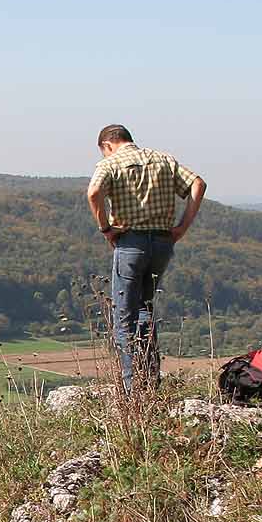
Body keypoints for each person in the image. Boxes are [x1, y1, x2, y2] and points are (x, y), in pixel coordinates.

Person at [86, 125, 206, 391]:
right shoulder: (163, 159)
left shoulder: (111, 163)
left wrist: (106, 229)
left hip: (130, 243)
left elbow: (93, 193)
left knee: (124, 316)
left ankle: (133, 390)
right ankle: (151, 380)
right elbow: (198, 184)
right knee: (143, 308)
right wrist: (182, 226)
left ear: (107, 145)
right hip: (163, 243)